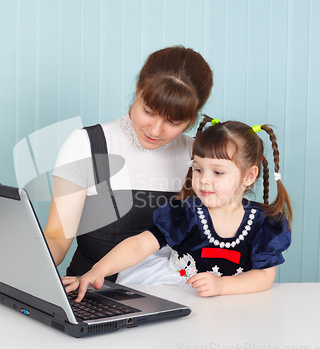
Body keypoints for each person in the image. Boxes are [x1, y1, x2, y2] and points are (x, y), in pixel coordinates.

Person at [62, 115, 292, 301]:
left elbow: (263, 276)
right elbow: (140, 244)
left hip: (231, 303)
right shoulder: (186, 213)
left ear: (249, 176)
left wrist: (222, 285)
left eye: (218, 172)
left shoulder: (264, 223)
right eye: (199, 169)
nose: (204, 180)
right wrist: (98, 270)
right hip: (179, 292)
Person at [44, 46, 214, 282]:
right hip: (93, 295)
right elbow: (56, 237)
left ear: (192, 118)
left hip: (173, 297)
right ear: (137, 91)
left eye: (173, 121)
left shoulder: (199, 159)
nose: (155, 130)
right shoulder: (86, 145)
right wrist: (26, 267)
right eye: (148, 111)